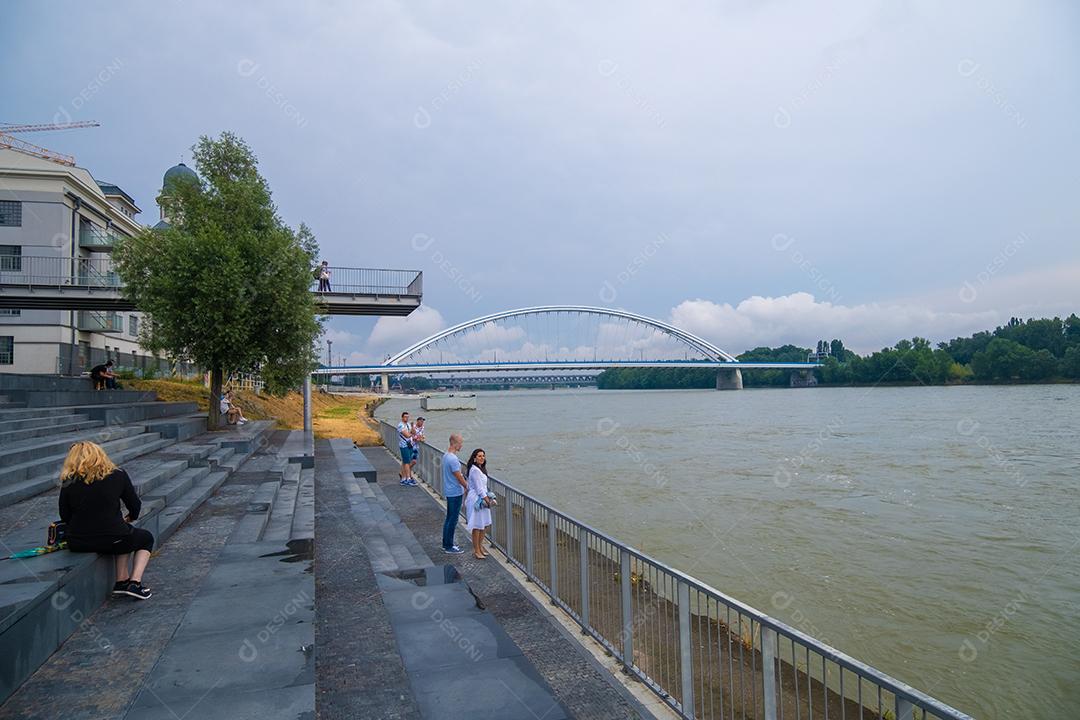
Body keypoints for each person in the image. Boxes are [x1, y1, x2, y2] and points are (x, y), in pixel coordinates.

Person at [58, 441, 154, 600]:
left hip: (78, 541)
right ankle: (135, 583)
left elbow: (64, 515)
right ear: (100, 455)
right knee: (144, 538)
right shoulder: (118, 474)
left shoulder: (69, 480)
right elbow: (134, 505)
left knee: (123, 533)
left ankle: (122, 581)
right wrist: (131, 517)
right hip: (113, 538)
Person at [465, 448, 494, 559]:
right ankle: (476, 550)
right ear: (474, 458)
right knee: (477, 526)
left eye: (483, 456)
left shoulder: (481, 469)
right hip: (476, 499)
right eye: (479, 456)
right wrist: (487, 500)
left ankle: (480, 547)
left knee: (484, 525)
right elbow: (479, 488)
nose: (482, 458)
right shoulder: (474, 470)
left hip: (482, 497)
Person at [441, 433, 467, 554]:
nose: (461, 445)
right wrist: (467, 486)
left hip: (449, 490)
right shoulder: (453, 459)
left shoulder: (446, 456)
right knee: (453, 519)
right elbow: (459, 477)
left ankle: (445, 543)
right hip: (455, 492)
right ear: (455, 443)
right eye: (460, 443)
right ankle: (449, 546)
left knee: (449, 518)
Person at [397, 411, 416, 486]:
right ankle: (408, 478)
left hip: (409, 445)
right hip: (404, 445)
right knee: (407, 462)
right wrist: (411, 433)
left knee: (405, 462)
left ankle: (403, 478)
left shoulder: (408, 424)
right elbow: (407, 435)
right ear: (402, 417)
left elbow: (414, 432)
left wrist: (412, 426)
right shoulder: (400, 425)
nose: (406, 418)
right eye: (405, 417)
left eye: (408, 417)